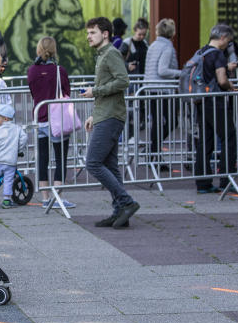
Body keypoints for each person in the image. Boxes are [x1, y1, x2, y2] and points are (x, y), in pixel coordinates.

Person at [82, 17, 139, 227]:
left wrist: (94, 91)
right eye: (88, 33)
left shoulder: (111, 54)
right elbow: (110, 86)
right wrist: (94, 115)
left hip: (111, 117)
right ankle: (120, 212)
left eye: (92, 33)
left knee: (93, 163)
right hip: (106, 115)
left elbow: (123, 81)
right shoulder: (103, 55)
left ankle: (126, 202)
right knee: (110, 166)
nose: (88, 37)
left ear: (105, 34)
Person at [27, 37, 75, 208]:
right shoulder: (59, 70)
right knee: (61, 158)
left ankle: (46, 197)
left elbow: (33, 92)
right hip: (57, 120)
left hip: (39, 118)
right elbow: (66, 91)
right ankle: (58, 197)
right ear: (54, 50)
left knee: (42, 158)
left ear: (38, 49)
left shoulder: (31, 70)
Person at [192, 24, 238, 195]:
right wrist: (231, 86)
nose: (228, 44)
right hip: (215, 102)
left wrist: (226, 68)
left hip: (201, 101)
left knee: (205, 141)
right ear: (222, 37)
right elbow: (221, 80)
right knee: (229, 136)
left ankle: (202, 183)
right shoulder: (218, 54)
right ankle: (227, 180)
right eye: (228, 40)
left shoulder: (201, 52)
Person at [144, 19, 183, 170]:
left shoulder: (153, 45)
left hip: (151, 88)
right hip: (163, 89)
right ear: (172, 32)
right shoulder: (168, 48)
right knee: (172, 121)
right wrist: (181, 73)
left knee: (157, 123)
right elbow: (163, 70)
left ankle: (154, 154)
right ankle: (152, 151)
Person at [0, 104, 27, 209]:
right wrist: (19, 149)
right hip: (10, 161)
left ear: (5, 118)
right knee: (8, 180)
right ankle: (6, 200)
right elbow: (24, 138)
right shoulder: (17, 129)